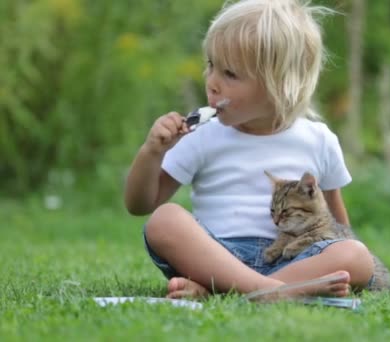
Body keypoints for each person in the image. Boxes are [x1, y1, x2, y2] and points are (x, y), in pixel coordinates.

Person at [124, 0, 374, 300]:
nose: (212, 82)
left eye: (229, 73)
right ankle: (270, 292)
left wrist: (339, 255)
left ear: (279, 85)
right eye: (210, 65)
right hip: (215, 254)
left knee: (356, 255)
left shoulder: (318, 139)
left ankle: (226, 291)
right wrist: (152, 152)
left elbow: (335, 223)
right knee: (165, 220)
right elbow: (140, 204)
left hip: (291, 257)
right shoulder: (201, 135)